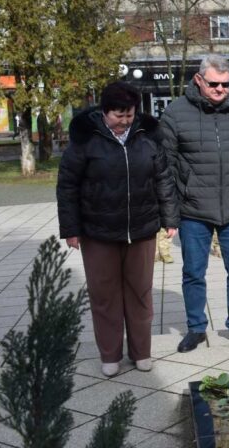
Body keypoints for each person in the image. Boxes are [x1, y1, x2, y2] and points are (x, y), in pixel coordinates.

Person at [57, 81, 179, 377]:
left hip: (141, 229)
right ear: (105, 111)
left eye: (129, 115)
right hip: (98, 232)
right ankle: (110, 354)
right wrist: (71, 229)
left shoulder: (147, 135)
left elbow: (162, 179)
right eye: (118, 116)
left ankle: (141, 352)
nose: (125, 122)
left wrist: (170, 219)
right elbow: (68, 185)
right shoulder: (86, 138)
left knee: (140, 293)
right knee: (105, 295)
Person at [161, 54, 229, 353]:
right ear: (198, 80)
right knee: (193, 272)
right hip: (193, 210)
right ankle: (196, 328)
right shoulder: (175, 114)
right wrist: (170, 216)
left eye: (226, 84)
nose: (221, 89)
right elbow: (165, 169)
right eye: (214, 84)